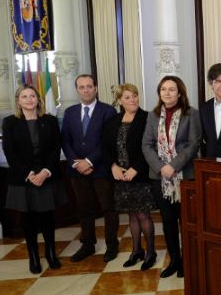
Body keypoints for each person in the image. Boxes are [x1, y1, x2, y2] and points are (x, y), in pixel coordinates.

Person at [2, 86, 66, 274]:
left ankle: (50, 253)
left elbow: (56, 148)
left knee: (48, 218)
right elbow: (9, 152)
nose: (29, 99)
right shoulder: (10, 122)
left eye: (32, 96)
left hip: (46, 176)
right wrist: (28, 174)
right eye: (24, 96)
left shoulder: (50, 121)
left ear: (38, 100)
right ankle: (33, 256)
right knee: (28, 219)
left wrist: (45, 172)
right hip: (24, 178)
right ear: (18, 101)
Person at [142, 75, 201, 278]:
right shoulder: (153, 115)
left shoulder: (191, 114)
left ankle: (188, 261)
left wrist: (173, 165)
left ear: (180, 93)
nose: (167, 93)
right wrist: (161, 167)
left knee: (186, 221)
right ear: (159, 93)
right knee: (167, 221)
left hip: (185, 175)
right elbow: (146, 145)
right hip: (160, 178)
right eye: (163, 89)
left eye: (172, 89)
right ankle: (175, 260)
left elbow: (193, 144)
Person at [62, 74, 118, 262]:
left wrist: (90, 161)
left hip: (101, 168)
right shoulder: (69, 112)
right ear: (77, 89)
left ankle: (112, 245)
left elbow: (108, 141)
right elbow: (65, 141)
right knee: (84, 208)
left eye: (89, 86)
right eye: (81, 87)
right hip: (77, 170)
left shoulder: (108, 111)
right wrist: (76, 163)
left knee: (108, 208)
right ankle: (88, 245)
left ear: (96, 88)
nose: (86, 90)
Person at [102, 84, 157, 270]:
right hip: (120, 177)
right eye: (127, 97)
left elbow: (151, 147)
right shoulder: (112, 121)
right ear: (119, 101)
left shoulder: (148, 117)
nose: (132, 100)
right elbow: (106, 148)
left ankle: (151, 252)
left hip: (140, 175)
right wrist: (113, 166)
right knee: (131, 215)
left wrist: (137, 168)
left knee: (143, 214)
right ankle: (136, 251)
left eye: (134, 96)